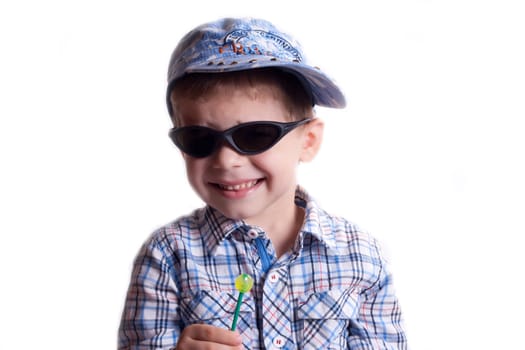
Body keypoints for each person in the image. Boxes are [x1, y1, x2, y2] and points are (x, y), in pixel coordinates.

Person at [118, 17, 407, 350]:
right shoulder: (167, 256)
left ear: (308, 141)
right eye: (199, 138)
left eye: (255, 135)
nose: (226, 161)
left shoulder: (362, 257)